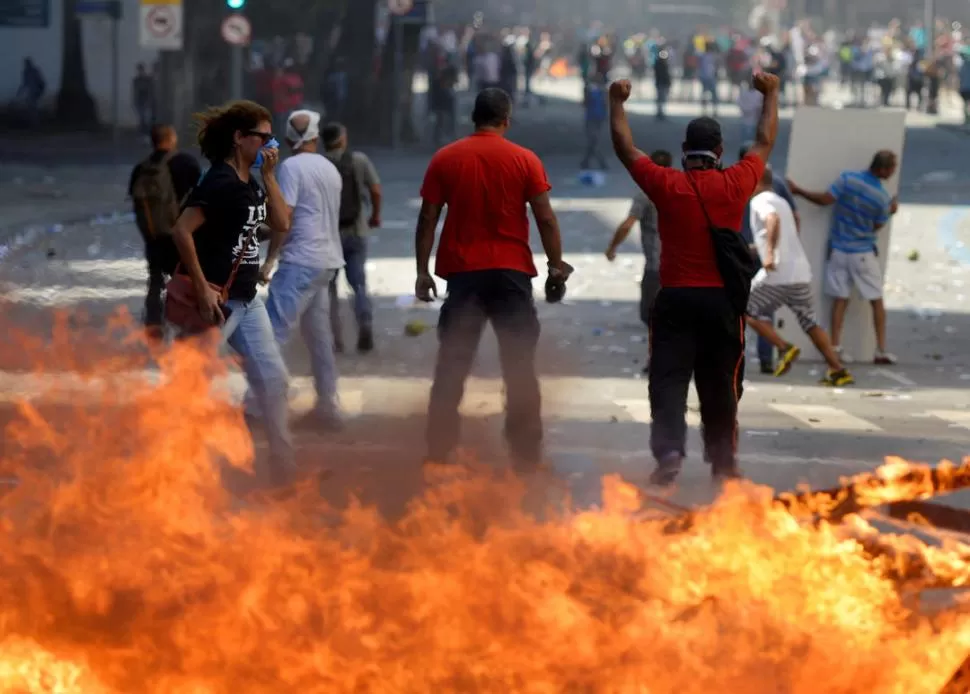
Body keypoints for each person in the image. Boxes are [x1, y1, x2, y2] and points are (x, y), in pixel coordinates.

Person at [609, 72, 780, 486]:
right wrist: (771, 93)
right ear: (720, 151)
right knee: (719, 382)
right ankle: (724, 460)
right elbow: (764, 140)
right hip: (721, 302)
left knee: (668, 380)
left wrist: (617, 101)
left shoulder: (666, 184)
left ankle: (669, 453)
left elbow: (625, 148)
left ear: (685, 151)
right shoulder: (736, 182)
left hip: (675, 300)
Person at [414, 88, 570, 471]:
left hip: (464, 277)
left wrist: (422, 271)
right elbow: (545, 217)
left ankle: (439, 451)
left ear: (473, 117)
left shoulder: (446, 158)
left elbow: (428, 218)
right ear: (506, 120)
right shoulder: (524, 159)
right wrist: (555, 265)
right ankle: (525, 454)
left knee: (451, 365)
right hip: (510, 276)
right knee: (518, 367)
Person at [170, 100, 295, 488]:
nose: (271, 144)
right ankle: (176, 472)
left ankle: (283, 470)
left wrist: (270, 178)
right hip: (214, 304)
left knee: (273, 381)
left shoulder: (252, 180)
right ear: (240, 138)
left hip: (246, 299)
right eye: (263, 136)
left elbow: (281, 222)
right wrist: (205, 292)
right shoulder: (220, 182)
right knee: (191, 389)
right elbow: (181, 230)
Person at [255, 109, 345, 431]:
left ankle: (257, 408)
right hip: (327, 263)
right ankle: (328, 406)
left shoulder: (291, 168)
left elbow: (284, 217)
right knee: (318, 337)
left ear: (288, 138)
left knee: (271, 332)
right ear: (316, 137)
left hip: (301, 262)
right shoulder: (330, 169)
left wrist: (269, 259)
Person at [787, 150, 899, 365]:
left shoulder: (847, 179)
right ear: (883, 169)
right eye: (892, 168)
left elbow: (825, 199)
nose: (893, 172)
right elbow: (876, 226)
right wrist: (891, 211)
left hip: (838, 251)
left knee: (840, 299)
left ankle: (836, 346)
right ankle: (881, 349)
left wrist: (799, 190)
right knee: (876, 300)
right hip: (862, 253)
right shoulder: (882, 198)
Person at [745, 167, 854, 387]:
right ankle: (838, 369)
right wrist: (756, 248)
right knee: (810, 322)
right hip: (799, 273)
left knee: (742, 307)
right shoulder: (781, 201)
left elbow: (772, 220)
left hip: (777, 273)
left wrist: (769, 254)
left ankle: (784, 347)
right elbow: (785, 226)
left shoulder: (761, 201)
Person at [128, 124, 202, 338]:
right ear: (171, 138)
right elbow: (202, 196)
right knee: (187, 279)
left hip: (153, 236)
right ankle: (187, 324)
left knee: (156, 279)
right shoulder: (185, 163)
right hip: (181, 234)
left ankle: (153, 323)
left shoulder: (141, 169)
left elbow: (138, 206)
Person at [738, 141, 799, 374]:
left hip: (741, 252)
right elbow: (794, 216)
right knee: (763, 308)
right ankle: (767, 358)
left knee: (737, 307)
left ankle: (738, 358)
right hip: (765, 254)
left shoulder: (731, 181)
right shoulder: (778, 183)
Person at [322, 123, 382, 353]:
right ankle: (365, 322)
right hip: (356, 231)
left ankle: (335, 338)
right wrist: (375, 216)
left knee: (329, 288)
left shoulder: (319, 164)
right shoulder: (358, 160)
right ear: (343, 139)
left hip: (328, 236)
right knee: (358, 283)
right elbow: (376, 190)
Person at [605, 150, 672, 332]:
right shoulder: (678, 190)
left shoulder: (646, 194)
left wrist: (612, 248)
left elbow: (627, 224)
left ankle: (660, 355)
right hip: (678, 265)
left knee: (650, 315)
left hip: (656, 266)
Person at [581, 73, 609, 170]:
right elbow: (585, 102)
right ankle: (598, 162)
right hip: (594, 117)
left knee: (593, 140)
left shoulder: (601, 91)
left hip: (595, 117)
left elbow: (605, 104)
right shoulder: (593, 90)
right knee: (594, 140)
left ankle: (587, 162)